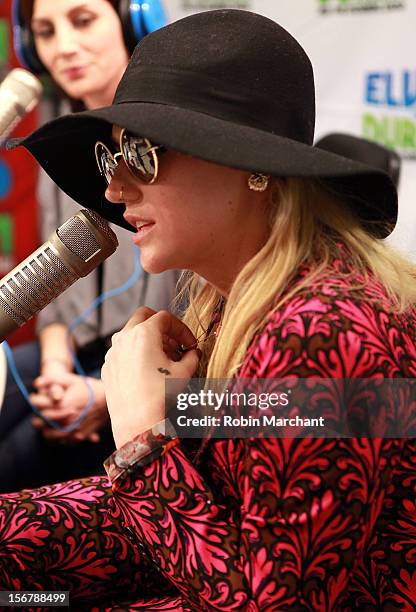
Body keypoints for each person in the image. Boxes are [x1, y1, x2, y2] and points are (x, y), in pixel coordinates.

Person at [1, 9, 416, 610]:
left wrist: (142, 435)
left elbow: (265, 601)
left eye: (140, 154)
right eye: (109, 161)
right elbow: (193, 520)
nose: (115, 190)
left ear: (250, 166)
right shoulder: (238, 307)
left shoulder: (326, 328)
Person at [0, 0, 179, 492]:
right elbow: (53, 290)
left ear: (131, 22)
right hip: (74, 358)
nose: (64, 48)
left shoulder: (182, 158)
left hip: (154, 376)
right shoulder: (57, 145)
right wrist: (57, 366)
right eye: (45, 31)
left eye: (82, 21)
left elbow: (209, 355)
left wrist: (109, 395)